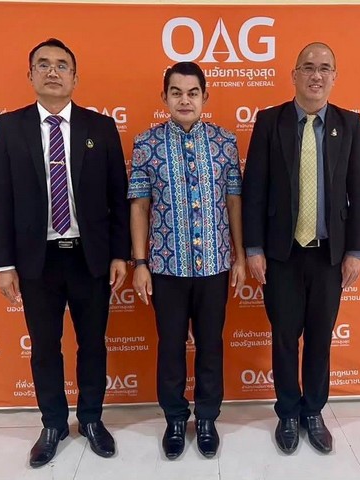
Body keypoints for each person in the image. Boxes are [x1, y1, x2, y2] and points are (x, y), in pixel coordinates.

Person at [0, 38, 130, 467]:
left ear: (75, 77)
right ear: (30, 74)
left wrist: (119, 255)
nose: (53, 71)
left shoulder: (99, 127)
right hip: (37, 261)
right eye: (44, 64)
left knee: (93, 344)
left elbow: (118, 197)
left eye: (62, 65)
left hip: (89, 257)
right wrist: (4, 265)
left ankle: (91, 419)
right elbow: (0, 199)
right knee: (45, 347)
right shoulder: (10, 127)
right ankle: (52, 423)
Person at [242, 42, 360, 455]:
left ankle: (313, 411)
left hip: (329, 255)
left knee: (319, 337)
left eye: (325, 68)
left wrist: (356, 251)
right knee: (284, 336)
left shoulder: (350, 124)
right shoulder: (270, 121)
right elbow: (254, 188)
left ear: (334, 76)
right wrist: (253, 247)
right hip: (281, 253)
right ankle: (287, 413)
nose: (317, 75)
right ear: (294, 74)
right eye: (309, 67)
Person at [128, 61, 245, 460]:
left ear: (204, 97)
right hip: (166, 267)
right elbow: (139, 206)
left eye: (192, 93)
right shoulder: (146, 144)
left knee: (211, 345)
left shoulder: (225, 142)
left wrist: (239, 257)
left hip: (215, 265)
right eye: (176, 92)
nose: (184, 100)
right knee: (171, 346)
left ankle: (208, 418)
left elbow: (234, 203)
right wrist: (140, 263)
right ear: (164, 97)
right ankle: (176, 419)